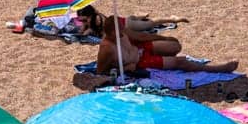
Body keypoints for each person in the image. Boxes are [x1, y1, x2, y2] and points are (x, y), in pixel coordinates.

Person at [94, 20, 236, 77]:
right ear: (111, 33)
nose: (122, 31)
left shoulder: (121, 31)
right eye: (119, 30)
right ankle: (217, 69)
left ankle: (169, 54)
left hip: (139, 49)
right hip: (139, 62)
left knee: (175, 45)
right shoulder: (107, 49)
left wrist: (163, 38)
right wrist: (125, 69)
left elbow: (141, 37)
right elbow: (100, 72)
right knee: (180, 62)